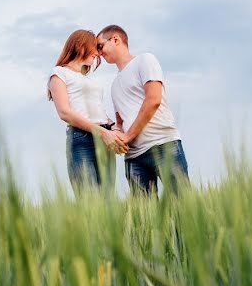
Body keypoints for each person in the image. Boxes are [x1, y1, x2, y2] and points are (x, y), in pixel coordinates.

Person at [96, 25, 189, 195]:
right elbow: (120, 123)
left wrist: (128, 136)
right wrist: (113, 136)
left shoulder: (145, 60)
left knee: (182, 206)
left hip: (163, 144)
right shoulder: (114, 85)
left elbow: (153, 100)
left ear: (115, 39)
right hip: (134, 157)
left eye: (100, 46)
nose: (99, 53)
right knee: (143, 216)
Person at [48, 29, 128, 194]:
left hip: (104, 137)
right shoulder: (59, 73)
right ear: (80, 45)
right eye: (95, 47)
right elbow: (64, 112)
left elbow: (98, 111)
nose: (98, 53)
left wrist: (114, 128)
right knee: (89, 201)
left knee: (107, 202)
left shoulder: (87, 80)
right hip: (82, 138)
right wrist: (101, 132)